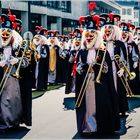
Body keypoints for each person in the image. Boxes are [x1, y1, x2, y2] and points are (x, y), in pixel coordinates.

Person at [75, 15, 120, 134]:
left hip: (100, 85)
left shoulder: (103, 52)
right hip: (86, 84)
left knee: (101, 105)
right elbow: (78, 69)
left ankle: (101, 127)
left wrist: (97, 66)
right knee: (88, 107)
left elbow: (106, 70)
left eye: (92, 35)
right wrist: (83, 67)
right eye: (87, 35)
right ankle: (88, 127)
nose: (89, 37)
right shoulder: (82, 52)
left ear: (97, 36)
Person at [0, 13, 28, 130]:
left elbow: (27, 62)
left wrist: (17, 61)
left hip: (13, 77)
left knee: (12, 100)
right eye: (3, 34)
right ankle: (3, 123)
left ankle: (12, 122)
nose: (5, 36)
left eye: (8, 34)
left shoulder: (19, 47)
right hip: (1, 75)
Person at [100, 13, 129, 117]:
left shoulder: (120, 43)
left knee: (117, 88)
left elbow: (123, 58)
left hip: (116, 68)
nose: (108, 30)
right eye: (106, 27)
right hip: (104, 69)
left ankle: (119, 108)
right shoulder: (101, 43)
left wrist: (122, 69)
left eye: (110, 28)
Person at [65, 29, 82, 94]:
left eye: (79, 41)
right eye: (76, 41)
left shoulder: (82, 51)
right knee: (73, 79)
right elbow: (70, 61)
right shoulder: (73, 51)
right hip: (74, 67)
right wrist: (72, 55)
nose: (77, 42)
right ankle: (74, 89)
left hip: (80, 68)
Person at [33, 26, 50, 91]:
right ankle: (37, 86)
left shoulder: (44, 46)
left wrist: (40, 56)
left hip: (42, 63)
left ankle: (40, 86)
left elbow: (45, 55)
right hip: (38, 62)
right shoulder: (38, 46)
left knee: (40, 74)